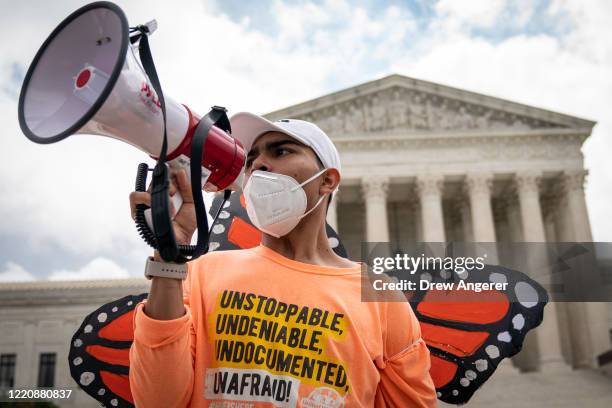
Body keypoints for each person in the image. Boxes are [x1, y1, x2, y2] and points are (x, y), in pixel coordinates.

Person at [128, 112, 437, 407]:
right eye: (251, 160)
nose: (259, 164)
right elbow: (158, 401)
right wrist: (169, 255)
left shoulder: (379, 296)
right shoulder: (200, 273)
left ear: (327, 180)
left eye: (281, 151)